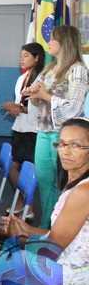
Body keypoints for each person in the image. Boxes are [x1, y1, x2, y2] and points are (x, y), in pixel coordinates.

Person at [0, 117, 89, 285]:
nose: (65, 151)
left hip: (71, 275)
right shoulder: (76, 183)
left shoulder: (83, 193)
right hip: (66, 265)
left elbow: (51, 250)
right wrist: (29, 230)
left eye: (76, 145)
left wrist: (17, 238)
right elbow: (63, 236)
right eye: (62, 144)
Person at [23, 25, 89, 229]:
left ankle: (60, 226)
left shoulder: (77, 69)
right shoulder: (50, 68)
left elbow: (74, 107)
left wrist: (46, 96)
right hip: (44, 131)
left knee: (62, 181)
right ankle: (46, 225)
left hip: (63, 136)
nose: (48, 43)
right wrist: (33, 94)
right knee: (44, 179)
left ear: (65, 42)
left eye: (53, 39)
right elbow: (39, 95)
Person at [0, 42, 45, 215]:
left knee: (19, 168)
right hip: (20, 128)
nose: (21, 59)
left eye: (26, 56)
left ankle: (27, 203)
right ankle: (24, 202)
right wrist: (14, 109)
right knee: (13, 167)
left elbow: (39, 109)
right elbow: (20, 104)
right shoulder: (22, 78)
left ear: (37, 58)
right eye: (21, 56)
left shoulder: (41, 79)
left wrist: (20, 108)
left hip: (32, 130)